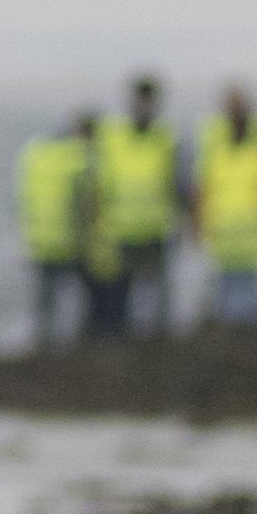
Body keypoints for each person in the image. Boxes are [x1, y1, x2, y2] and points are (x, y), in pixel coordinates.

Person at [91, 74, 185, 336]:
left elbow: (179, 183)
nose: (143, 107)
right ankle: (125, 339)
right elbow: (100, 183)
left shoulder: (167, 138)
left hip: (158, 227)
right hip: (121, 228)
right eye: (139, 100)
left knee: (160, 293)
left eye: (149, 101)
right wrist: (98, 225)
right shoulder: (112, 137)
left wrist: (182, 222)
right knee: (121, 293)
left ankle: (160, 340)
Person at [193, 82, 257, 325]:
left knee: (251, 301)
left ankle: (246, 346)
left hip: (254, 239)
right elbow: (201, 191)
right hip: (224, 238)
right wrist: (197, 226)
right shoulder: (214, 149)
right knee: (226, 300)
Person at [14, 113, 94, 349]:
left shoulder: (34, 154)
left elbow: (21, 200)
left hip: (38, 241)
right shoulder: (77, 159)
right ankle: (71, 345)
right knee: (78, 298)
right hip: (69, 242)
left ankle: (42, 345)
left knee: (44, 302)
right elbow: (87, 204)